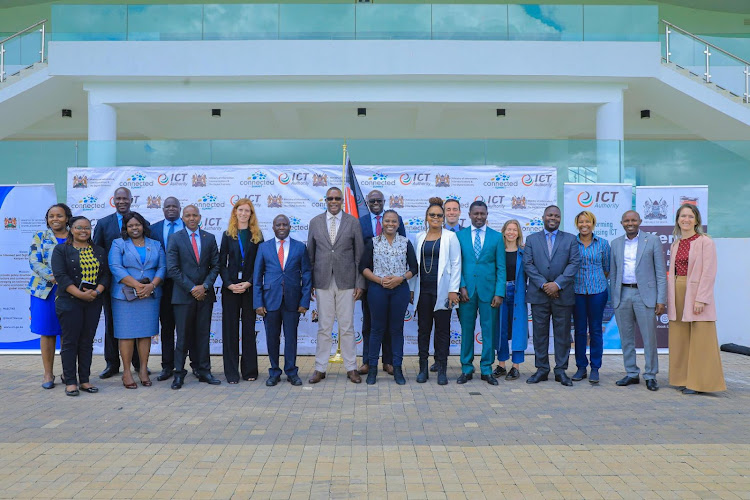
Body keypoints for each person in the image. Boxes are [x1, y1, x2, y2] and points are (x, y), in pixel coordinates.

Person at [307, 186, 365, 384]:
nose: (334, 201)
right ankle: (320, 368)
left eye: (337, 198)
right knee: (324, 326)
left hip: (347, 281)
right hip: (322, 281)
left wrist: (359, 282)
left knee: (347, 326)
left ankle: (351, 368)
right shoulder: (314, 222)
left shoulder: (353, 222)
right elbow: (310, 256)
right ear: (326, 200)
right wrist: (310, 284)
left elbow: (359, 256)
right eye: (330, 198)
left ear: (342, 201)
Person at [667, 204, 725, 394]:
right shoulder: (675, 244)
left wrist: (701, 299)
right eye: (683, 216)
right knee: (680, 338)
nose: (686, 219)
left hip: (696, 294)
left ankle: (701, 383)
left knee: (702, 338)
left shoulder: (705, 242)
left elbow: (709, 272)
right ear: (677, 219)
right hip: (677, 291)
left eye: (690, 216)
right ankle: (683, 379)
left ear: (697, 220)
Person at [93, 187, 149, 379]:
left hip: (137, 284)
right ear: (113, 200)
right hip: (112, 284)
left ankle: (137, 364)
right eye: (118, 198)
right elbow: (97, 253)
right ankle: (112, 364)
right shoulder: (103, 223)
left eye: (125, 198)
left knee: (135, 324)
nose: (122, 201)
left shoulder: (142, 222)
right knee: (112, 323)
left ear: (131, 200)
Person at [51, 216, 111, 397]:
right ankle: (70, 381)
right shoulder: (61, 250)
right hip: (69, 302)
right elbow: (61, 276)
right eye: (79, 228)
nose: (83, 231)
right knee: (70, 343)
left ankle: (84, 380)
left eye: (87, 228)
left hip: (93, 302)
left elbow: (106, 275)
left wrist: (97, 292)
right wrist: (80, 294)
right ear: (71, 229)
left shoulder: (99, 250)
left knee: (86, 342)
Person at [523, 205, 580, 387]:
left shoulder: (570, 239)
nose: (552, 218)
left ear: (560, 218)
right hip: (539, 294)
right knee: (540, 334)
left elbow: (574, 263)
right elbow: (528, 264)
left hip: (562, 294)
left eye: (556, 215)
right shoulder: (532, 239)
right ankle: (542, 369)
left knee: (562, 334)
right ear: (543, 217)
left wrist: (557, 284)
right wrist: (544, 284)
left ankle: (561, 370)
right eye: (550, 215)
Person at [610, 210, 666, 392]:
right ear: (621, 223)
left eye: (633, 220)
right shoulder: (616, 244)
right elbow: (613, 272)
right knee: (626, 338)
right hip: (623, 294)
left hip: (645, 296)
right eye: (626, 220)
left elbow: (660, 273)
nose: (630, 223)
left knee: (649, 338)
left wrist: (661, 300)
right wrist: (614, 298)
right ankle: (632, 373)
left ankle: (650, 375)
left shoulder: (653, 241)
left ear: (640, 221)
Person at [360, 210, 418, 385]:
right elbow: (363, 268)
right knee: (376, 329)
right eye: (387, 221)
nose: (390, 224)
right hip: (377, 290)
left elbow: (414, 268)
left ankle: (397, 368)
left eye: (394, 221)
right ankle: (372, 370)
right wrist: (379, 280)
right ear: (382, 223)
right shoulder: (373, 242)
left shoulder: (405, 243)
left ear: (398, 224)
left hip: (399, 290)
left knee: (396, 330)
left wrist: (401, 278)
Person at [108, 211, 166, 389]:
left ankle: (142, 370)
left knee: (145, 333)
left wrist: (151, 286)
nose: (134, 228)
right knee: (126, 335)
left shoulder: (155, 244)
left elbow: (162, 267)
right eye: (130, 225)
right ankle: (126, 372)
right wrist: (137, 286)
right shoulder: (118, 244)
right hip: (124, 296)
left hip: (149, 295)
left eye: (137, 225)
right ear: (125, 228)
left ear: (143, 226)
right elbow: (115, 267)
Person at [254, 214, 312, 387]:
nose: (281, 227)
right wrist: (258, 303)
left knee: (291, 338)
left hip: (293, 301)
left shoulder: (300, 247)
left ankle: (291, 372)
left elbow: (307, 275)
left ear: (289, 227)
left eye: (284, 224)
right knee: (272, 338)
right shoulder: (264, 248)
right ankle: (274, 372)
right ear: (273, 227)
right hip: (270, 300)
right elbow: (257, 277)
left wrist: (304, 302)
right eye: (278, 224)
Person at [167, 205, 221, 390]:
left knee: (203, 335)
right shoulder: (175, 238)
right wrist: (192, 288)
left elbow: (216, 266)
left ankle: (204, 370)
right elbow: (172, 269)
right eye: (188, 215)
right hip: (183, 296)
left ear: (200, 217)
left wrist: (204, 286)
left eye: (194, 215)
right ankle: (179, 374)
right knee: (182, 337)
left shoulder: (210, 238)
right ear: (183, 218)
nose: (191, 218)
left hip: (205, 296)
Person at [411, 197, 461, 385]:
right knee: (423, 330)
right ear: (426, 216)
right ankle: (423, 368)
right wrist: (411, 290)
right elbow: (414, 266)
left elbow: (456, 264)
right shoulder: (418, 237)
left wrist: (453, 290)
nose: (436, 218)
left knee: (442, 332)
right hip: (422, 291)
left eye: (439, 215)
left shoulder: (450, 237)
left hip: (443, 292)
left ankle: (441, 369)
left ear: (443, 218)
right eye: (432, 215)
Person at [456, 201, 506, 386]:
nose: (479, 217)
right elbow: (456, 265)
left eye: (482, 213)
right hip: (466, 292)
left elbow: (501, 268)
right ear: (469, 214)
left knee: (489, 332)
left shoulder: (496, 237)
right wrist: (461, 286)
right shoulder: (459, 236)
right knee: (467, 331)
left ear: (487, 214)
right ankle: (466, 368)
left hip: (489, 292)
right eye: (475, 213)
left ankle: (486, 369)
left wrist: (499, 292)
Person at [358, 190, 406, 377]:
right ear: (367, 202)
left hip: (394, 282)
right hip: (370, 280)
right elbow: (358, 254)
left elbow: (402, 246)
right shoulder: (360, 222)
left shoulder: (395, 220)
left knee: (390, 324)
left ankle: (388, 361)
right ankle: (368, 362)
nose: (376, 203)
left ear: (384, 201)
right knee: (370, 323)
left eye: (379, 200)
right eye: (372, 200)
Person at [219, 198, 263, 384]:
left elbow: (261, 265)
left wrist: (249, 283)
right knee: (230, 331)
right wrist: (229, 284)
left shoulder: (257, 235)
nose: (244, 213)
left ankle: (250, 370)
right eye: (241, 210)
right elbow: (221, 264)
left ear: (251, 214)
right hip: (230, 289)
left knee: (248, 329)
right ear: (235, 212)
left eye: (247, 211)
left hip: (249, 288)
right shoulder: (228, 234)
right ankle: (231, 373)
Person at [150, 197, 191, 381]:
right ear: (163, 209)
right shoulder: (153, 229)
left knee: (187, 327)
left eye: (175, 206)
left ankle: (194, 365)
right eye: (168, 206)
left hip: (184, 284)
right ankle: (167, 366)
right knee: (167, 327)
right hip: (163, 284)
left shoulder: (189, 226)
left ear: (180, 209)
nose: (171, 209)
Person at [571, 211, 611, 384]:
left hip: (598, 291)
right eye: (581, 222)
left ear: (593, 223)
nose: (584, 224)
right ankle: (581, 367)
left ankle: (595, 368)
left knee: (595, 330)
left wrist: (595, 280)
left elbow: (607, 267)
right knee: (579, 330)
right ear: (577, 224)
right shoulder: (571, 243)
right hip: (577, 291)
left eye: (587, 221)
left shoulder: (603, 243)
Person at [492, 219, 528, 381]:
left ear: (519, 232)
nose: (511, 232)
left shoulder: (524, 252)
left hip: (518, 292)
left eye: (515, 229)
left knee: (518, 329)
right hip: (500, 292)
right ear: (503, 231)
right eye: (508, 229)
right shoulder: (497, 251)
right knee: (501, 328)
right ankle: (501, 365)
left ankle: (516, 366)